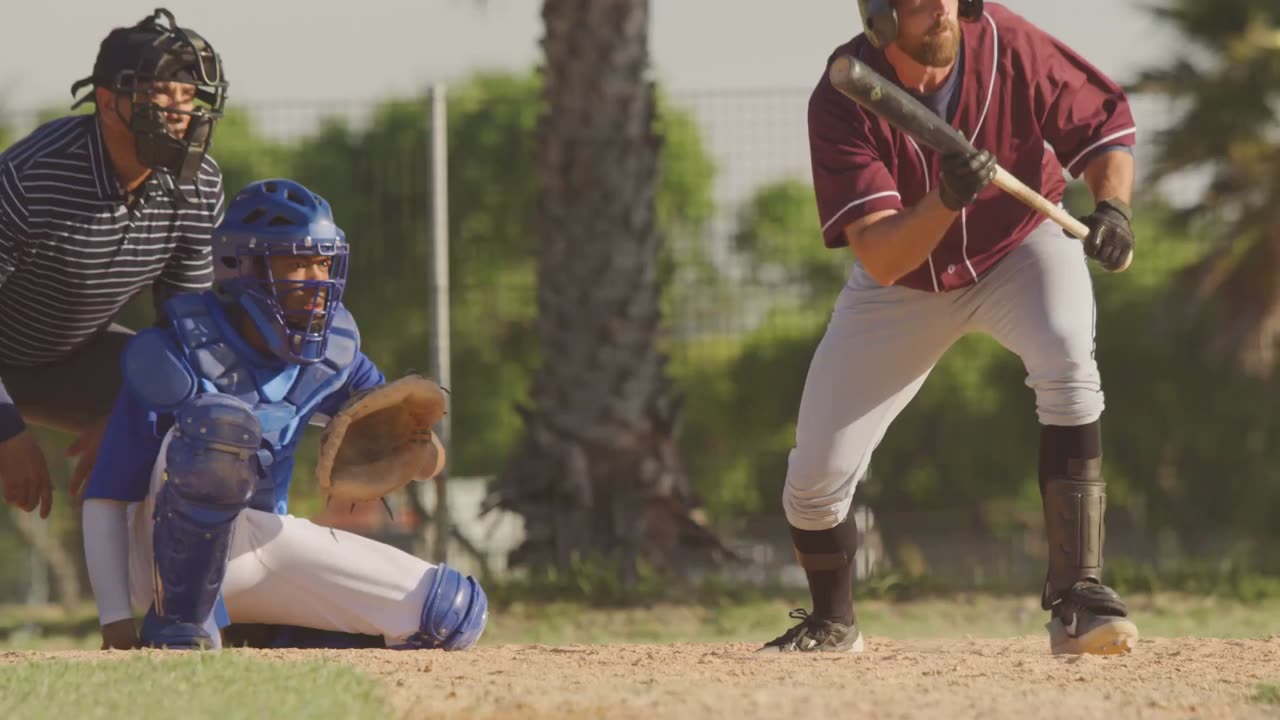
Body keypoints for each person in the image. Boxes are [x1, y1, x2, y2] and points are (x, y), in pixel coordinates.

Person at [759, 0, 1140, 656]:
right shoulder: (843, 94)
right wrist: (946, 199)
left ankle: (1079, 596)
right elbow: (881, 255)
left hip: (1020, 248)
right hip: (903, 283)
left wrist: (1113, 207)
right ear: (879, 18)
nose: (936, 12)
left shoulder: (1006, 40)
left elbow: (1104, 125)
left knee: (1069, 361)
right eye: (912, 4)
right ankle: (832, 621)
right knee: (814, 479)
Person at [80, 178, 487, 652]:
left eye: (323, 260)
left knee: (449, 613)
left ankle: (268, 635)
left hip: (260, 542)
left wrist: (423, 452)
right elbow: (107, 494)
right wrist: (113, 621)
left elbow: (400, 435)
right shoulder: (174, 350)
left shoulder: (334, 351)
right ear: (242, 266)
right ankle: (179, 626)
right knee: (220, 428)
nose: (318, 278)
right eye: (297, 262)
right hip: (158, 561)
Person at [0, 8, 227, 518]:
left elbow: (186, 331)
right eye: (160, 95)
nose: (179, 112)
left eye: (188, 97)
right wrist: (7, 434)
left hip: (70, 359)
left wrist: (134, 415)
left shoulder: (198, 185)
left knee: (204, 410)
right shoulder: (27, 181)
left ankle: (169, 594)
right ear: (108, 102)